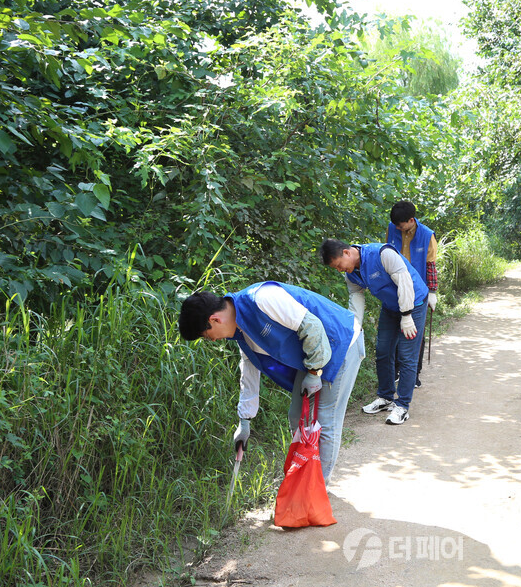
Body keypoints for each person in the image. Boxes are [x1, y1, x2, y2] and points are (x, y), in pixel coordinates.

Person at [178, 282, 364, 483]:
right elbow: (249, 371)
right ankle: (305, 478)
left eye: (206, 336)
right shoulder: (241, 330)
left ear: (214, 320)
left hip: (340, 341)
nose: (212, 340)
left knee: (325, 419)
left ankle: (317, 490)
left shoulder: (262, 298)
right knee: (296, 415)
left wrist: (314, 371)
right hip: (312, 354)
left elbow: (312, 326)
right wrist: (245, 421)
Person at [320, 239, 428, 425]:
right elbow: (356, 297)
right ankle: (386, 397)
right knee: (383, 351)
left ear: (347, 253)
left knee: (406, 355)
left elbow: (404, 280)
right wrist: (355, 327)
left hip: (413, 303)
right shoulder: (351, 274)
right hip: (391, 307)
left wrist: (407, 314)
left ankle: (402, 406)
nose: (339, 270)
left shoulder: (382, 254)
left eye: (338, 265)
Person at [386, 200, 439, 388]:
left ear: (411, 220)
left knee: (415, 333)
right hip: (396, 288)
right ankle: (396, 371)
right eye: (396, 226)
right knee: (395, 330)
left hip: (418, 290)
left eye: (401, 226)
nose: (398, 229)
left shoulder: (427, 235)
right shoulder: (392, 229)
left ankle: (414, 373)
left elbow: (431, 265)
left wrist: (432, 292)